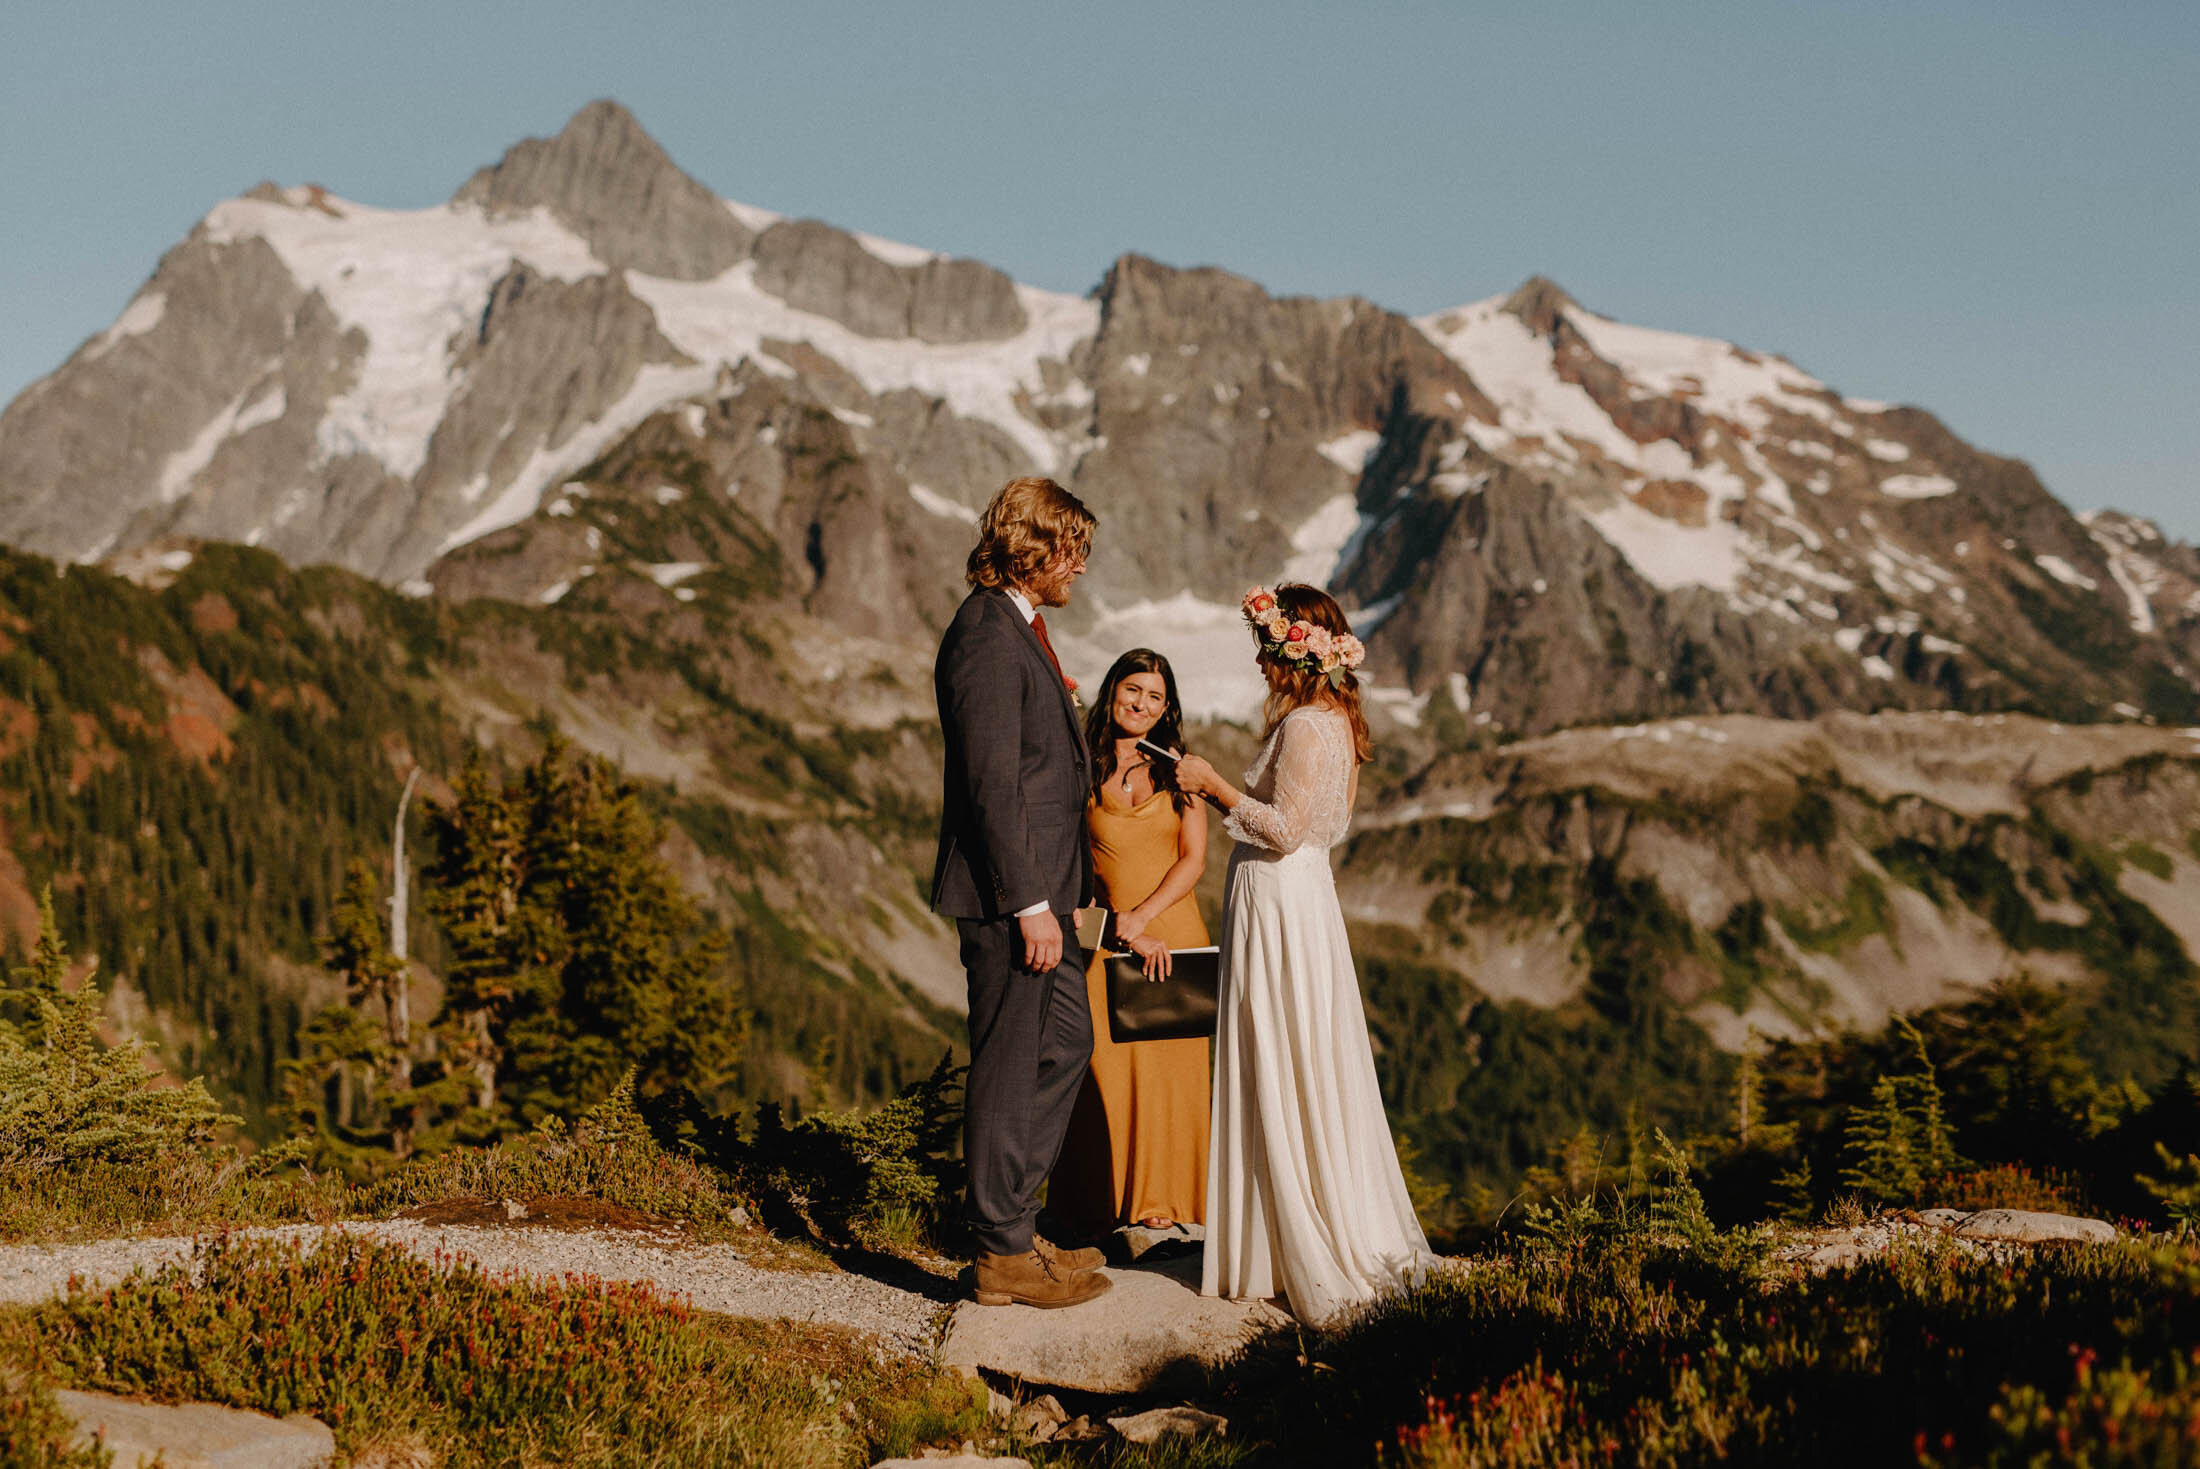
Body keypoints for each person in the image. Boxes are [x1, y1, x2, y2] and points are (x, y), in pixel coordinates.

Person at [1175, 583, 1436, 1325]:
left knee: (1275, 1057)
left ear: (1296, 650)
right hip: (1309, 904)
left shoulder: (1302, 729)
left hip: (1279, 901)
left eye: (1267, 646)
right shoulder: (1341, 727)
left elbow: (1282, 828)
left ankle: (1282, 1244)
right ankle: (1311, 1219)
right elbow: (1326, 832)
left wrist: (1212, 783)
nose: (1260, 661)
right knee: (1306, 1059)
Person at [932, 475, 1111, 1309]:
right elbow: (992, 784)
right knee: (1007, 1064)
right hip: (1015, 900)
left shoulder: (1020, 626)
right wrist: (1029, 902)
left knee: (1066, 1041)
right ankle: (1000, 1250)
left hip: (1049, 895)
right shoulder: (984, 634)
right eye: (1071, 548)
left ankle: (1013, 1221)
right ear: (1033, 548)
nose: (1080, 565)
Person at [1046, 649, 1212, 1238]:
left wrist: (1145, 918)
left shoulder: (1180, 770)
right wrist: (1120, 924)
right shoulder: (1081, 766)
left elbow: (1194, 860)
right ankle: (1097, 1204)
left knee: (1171, 1072)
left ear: (1168, 709)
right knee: (1102, 1068)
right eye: (1133, 690)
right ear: (1112, 690)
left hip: (1173, 931)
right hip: (1108, 937)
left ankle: (1162, 1203)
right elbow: (1072, 866)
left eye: (1155, 697)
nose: (1141, 704)